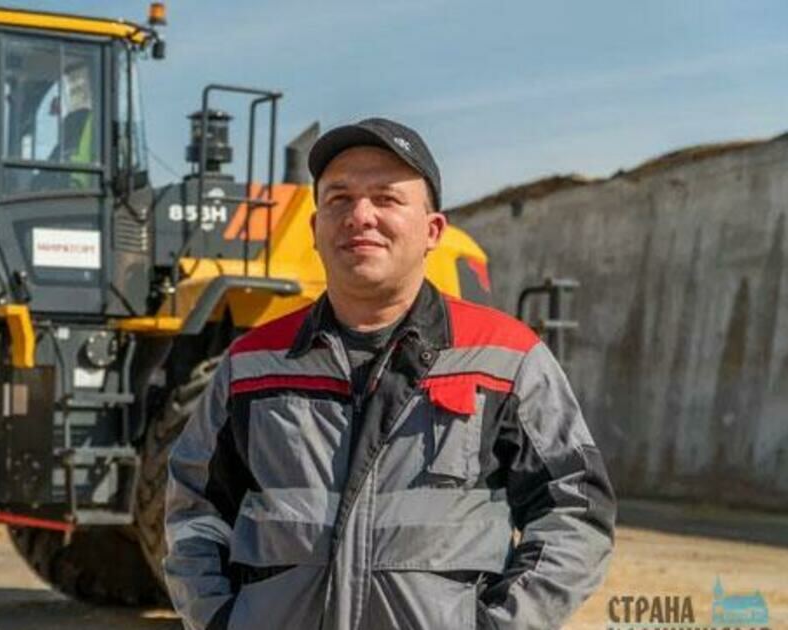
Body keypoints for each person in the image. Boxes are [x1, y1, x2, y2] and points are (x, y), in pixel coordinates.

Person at [163, 118, 615, 630]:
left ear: (433, 231)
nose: (360, 216)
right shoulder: (252, 364)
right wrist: (220, 620)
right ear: (314, 229)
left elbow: (575, 510)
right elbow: (193, 509)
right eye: (339, 198)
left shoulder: (507, 359)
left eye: (386, 198)